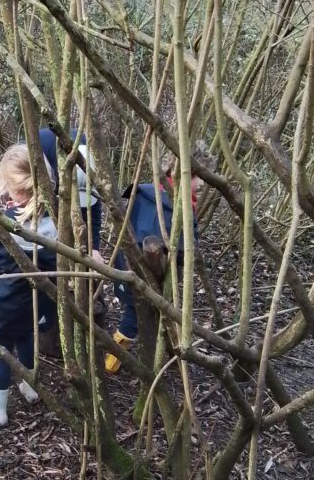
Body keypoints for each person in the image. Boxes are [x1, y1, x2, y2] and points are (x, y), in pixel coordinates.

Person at [0, 144, 57, 426]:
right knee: (27, 336)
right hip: (36, 300)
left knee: (1, 350)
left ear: (10, 184)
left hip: (3, 301)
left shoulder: (3, 221)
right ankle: (31, 386)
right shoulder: (55, 220)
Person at [106, 145, 214, 373]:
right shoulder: (174, 206)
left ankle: (165, 353)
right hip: (143, 276)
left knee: (145, 314)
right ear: (185, 175)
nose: (203, 184)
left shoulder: (147, 192)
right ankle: (111, 362)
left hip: (129, 270)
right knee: (134, 318)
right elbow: (183, 249)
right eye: (199, 178)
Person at [38, 127, 102, 260]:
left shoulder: (94, 156)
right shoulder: (40, 154)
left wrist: (94, 247)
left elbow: (94, 208)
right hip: (39, 169)